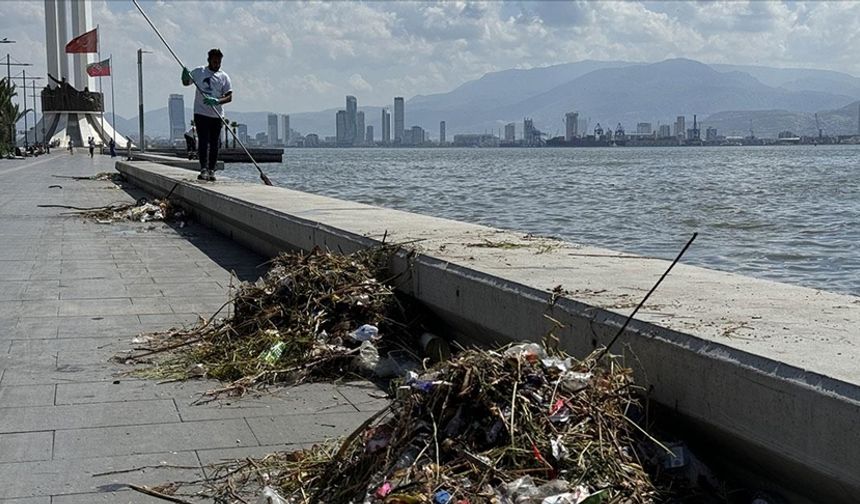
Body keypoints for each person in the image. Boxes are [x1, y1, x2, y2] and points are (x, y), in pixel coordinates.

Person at [182, 48, 232, 181]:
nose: (217, 64)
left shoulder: (224, 77)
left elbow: (229, 97)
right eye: (214, 61)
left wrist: (217, 101)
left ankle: (211, 170)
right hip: (201, 113)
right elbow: (186, 83)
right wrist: (185, 76)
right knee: (203, 141)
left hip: (216, 115)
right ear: (209, 60)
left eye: (219, 62)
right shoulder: (199, 72)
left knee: (215, 143)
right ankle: (203, 168)